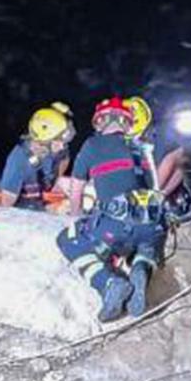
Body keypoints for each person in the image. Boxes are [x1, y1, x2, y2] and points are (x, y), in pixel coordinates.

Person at [58, 97, 168, 321]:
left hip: (116, 227)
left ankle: (108, 283)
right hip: (151, 227)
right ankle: (141, 266)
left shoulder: (91, 145)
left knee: (67, 240)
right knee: (146, 244)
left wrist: (75, 219)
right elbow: (153, 189)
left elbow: (76, 189)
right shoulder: (141, 147)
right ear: (127, 122)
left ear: (100, 122)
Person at [0, 102, 76, 209]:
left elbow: (64, 160)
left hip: (42, 199)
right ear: (42, 143)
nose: (62, 146)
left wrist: (59, 184)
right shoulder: (18, 161)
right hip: (21, 207)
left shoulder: (59, 150)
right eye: (58, 142)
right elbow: (4, 205)